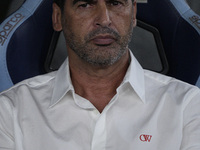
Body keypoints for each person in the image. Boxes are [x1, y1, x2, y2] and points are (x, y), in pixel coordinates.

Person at [0, 0, 200, 149]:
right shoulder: (10, 110)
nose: (104, 19)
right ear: (58, 17)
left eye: (116, 3)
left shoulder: (189, 106)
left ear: (133, 15)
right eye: (86, 4)